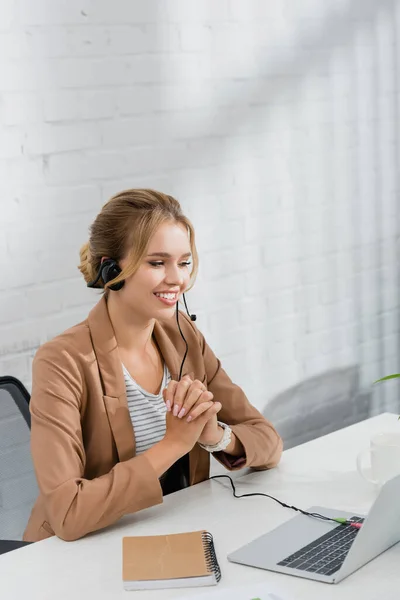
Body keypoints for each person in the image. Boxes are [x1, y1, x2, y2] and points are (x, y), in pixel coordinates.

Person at [23, 189, 282, 543]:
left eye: (184, 262)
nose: (177, 279)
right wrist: (174, 443)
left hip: (170, 531)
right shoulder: (63, 361)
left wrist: (214, 436)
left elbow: (268, 442)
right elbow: (68, 514)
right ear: (111, 269)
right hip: (82, 552)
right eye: (157, 263)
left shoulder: (183, 335)